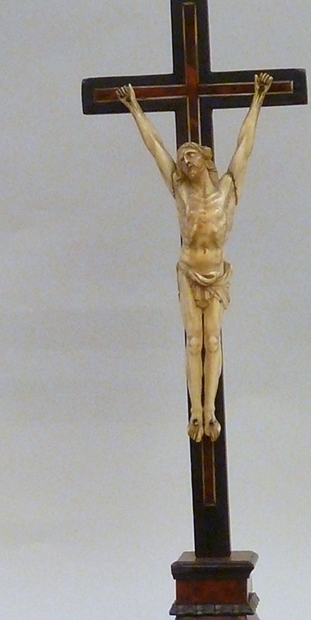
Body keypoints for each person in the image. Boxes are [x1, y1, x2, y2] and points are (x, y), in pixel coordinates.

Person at [116, 73, 273, 442]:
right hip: (189, 270)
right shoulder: (180, 192)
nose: (185, 161)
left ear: (205, 158)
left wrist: (258, 99)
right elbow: (155, 147)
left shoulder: (228, 190)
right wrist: (135, 108)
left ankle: (211, 411)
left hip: (216, 272)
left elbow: (245, 146)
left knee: (213, 341)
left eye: (191, 155)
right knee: (193, 342)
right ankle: (195, 412)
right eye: (182, 157)